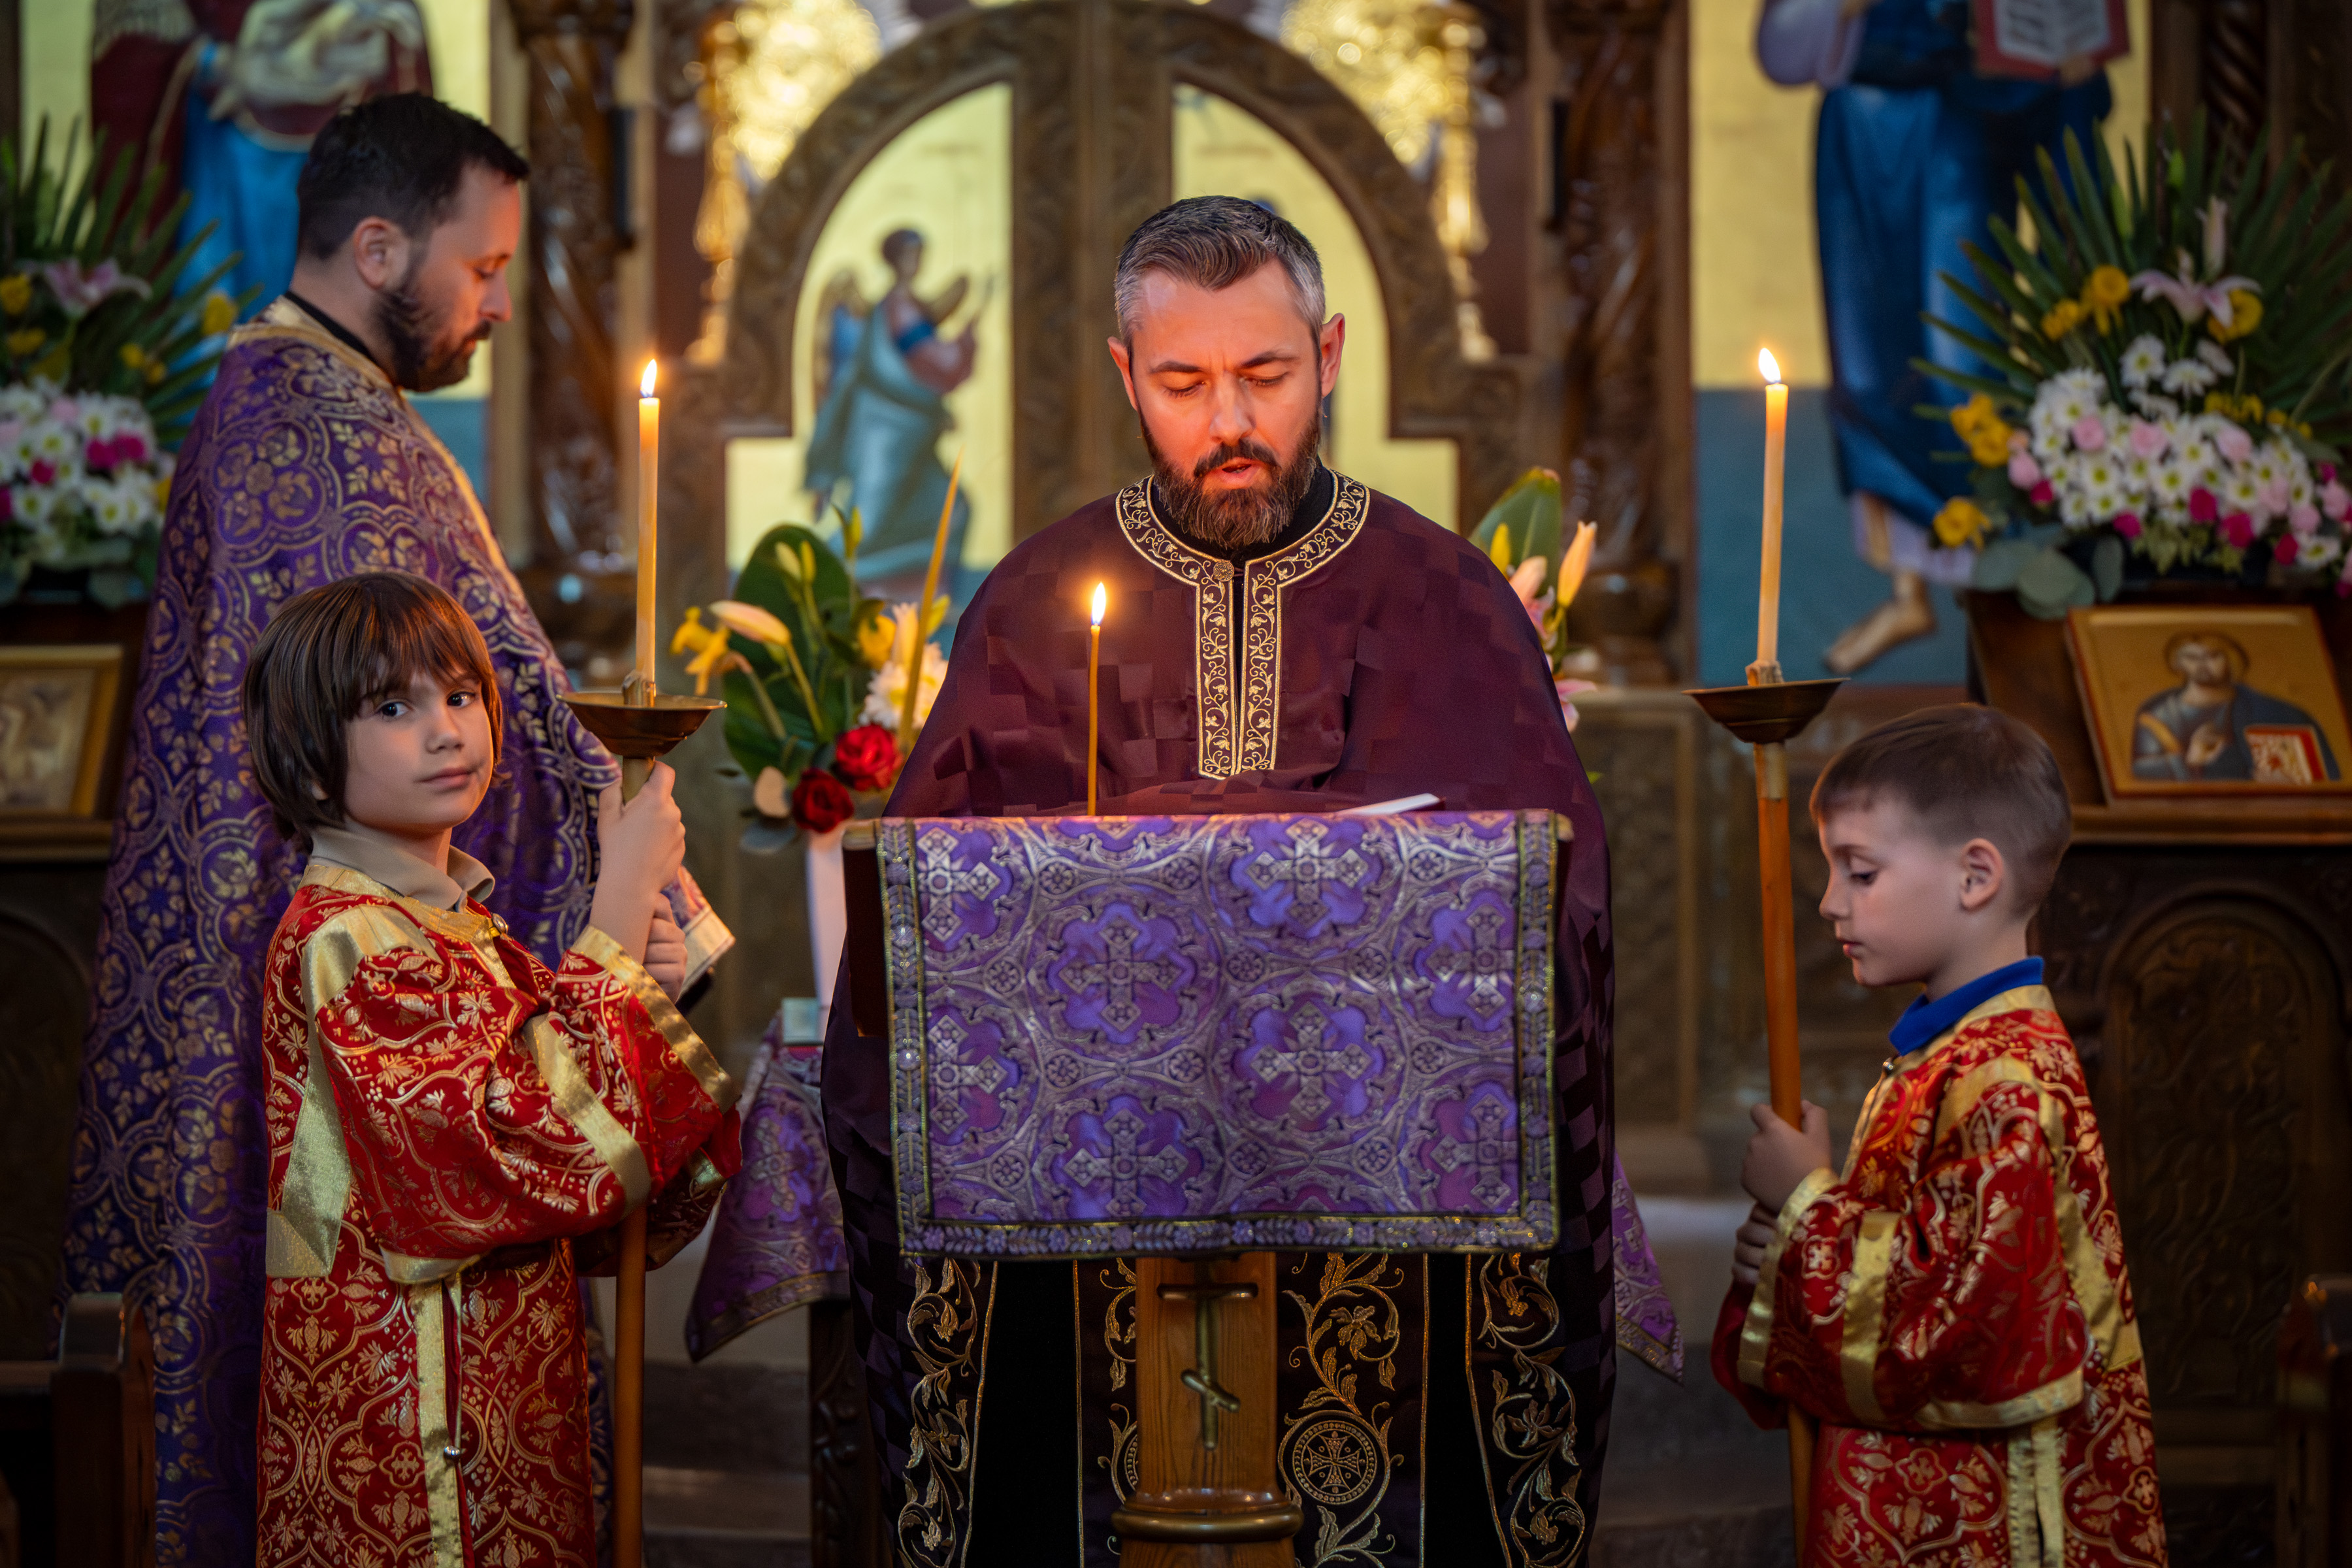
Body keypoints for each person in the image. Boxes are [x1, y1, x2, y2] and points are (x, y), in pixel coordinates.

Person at [809, 195, 1622, 1565]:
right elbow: (925, 921)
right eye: (1184, 382)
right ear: (1128, 376)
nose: (1230, 419)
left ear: (1332, 352)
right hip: (1084, 1233)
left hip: (1386, 1237)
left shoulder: (1444, 600)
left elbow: (1562, 910)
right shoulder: (1034, 601)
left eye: (1267, 374)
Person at [57, 95, 623, 1562]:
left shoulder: (297, 411)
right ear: (381, 249)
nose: (495, 306)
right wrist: (616, 841)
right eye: (484, 268)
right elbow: (411, 742)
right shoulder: (325, 442)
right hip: (360, 1044)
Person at [244, 571, 737, 1568]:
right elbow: (502, 1152)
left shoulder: (459, 925)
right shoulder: (349, 938)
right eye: (393, 706)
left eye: (460, 695)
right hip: (413, 1416)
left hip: (502, 1388)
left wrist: (646, 992)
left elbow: (577, 1172)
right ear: (308, 749)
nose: (445, 731)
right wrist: (614, 921)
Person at [1713, 705, 2166, 1565]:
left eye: (1861, 872)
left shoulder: (2008, 1080)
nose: (1827, 902)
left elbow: (1959, 1326)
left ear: (1975, 877)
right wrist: (1782, 1260)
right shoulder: (1951, 1050)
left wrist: (1808, 1207)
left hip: (1984, 1509)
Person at [1756, 0, 2112, 673]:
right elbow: (1782, 47)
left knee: (1960, 356)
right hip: (1863, 130)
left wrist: (2070, 49)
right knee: (1866, 363)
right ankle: (1907, 584)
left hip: (1961, 132)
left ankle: (1995, 582)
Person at [93, 0, 434, 314]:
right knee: (214, 321)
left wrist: (378, 36)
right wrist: (219, 63)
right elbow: (136, 26)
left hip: (341, 145)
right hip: (217, 152)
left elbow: (396, 23)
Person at [804, 228, 979, 595]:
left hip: (914, 433)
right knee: (864, 528)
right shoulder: (898, 307)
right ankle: (811, 586)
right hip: (887, 432)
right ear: (897, 260)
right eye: (912, 255)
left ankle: (922, 605)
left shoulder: (908, 305)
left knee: (950, 510)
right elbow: (934, 360)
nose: (917, 263)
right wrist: (965, 340)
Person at [2131, 629, 2340, 783]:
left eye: (2213, 655)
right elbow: (2136, 773)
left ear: (2230, 660)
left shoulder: (2276, 711)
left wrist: (2288, 785)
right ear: (2178, 663)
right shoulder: (2159, 714)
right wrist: (2189, 761)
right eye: (2192, 657)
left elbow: (2323, 775)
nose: (2202, 664)